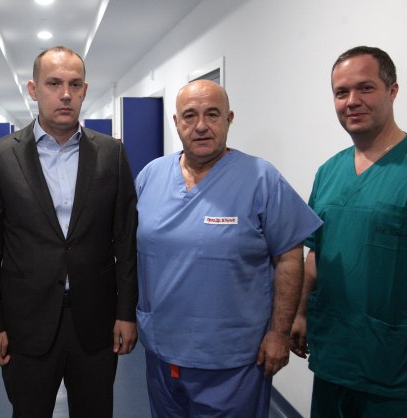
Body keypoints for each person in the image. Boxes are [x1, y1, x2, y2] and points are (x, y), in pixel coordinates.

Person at [136, 79, 322, 417]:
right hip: (162, 350)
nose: (201, 125)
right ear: (176, 122)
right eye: (189, 115)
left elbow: (289, 257)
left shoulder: (261, 178)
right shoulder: (150, 176)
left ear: (229, 119)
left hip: (234, 359)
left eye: (212, 114)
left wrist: (279, 333)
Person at [0, 46, 138, 418]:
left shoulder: (111, 154)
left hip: (95, 321)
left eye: (75, 84)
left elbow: (126, 241)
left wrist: (126, 312)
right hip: (25, 322)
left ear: (84, 90)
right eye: (54, 83)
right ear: (33, 89)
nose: (65, 94)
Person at [290, 46, 407, 416]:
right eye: (341, 92)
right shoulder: (329, 172)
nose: (352, 101)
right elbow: (317, 252)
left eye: (365, 88)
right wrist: (300, 313)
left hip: (395, 367)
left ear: (392, 91)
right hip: (333, 354)